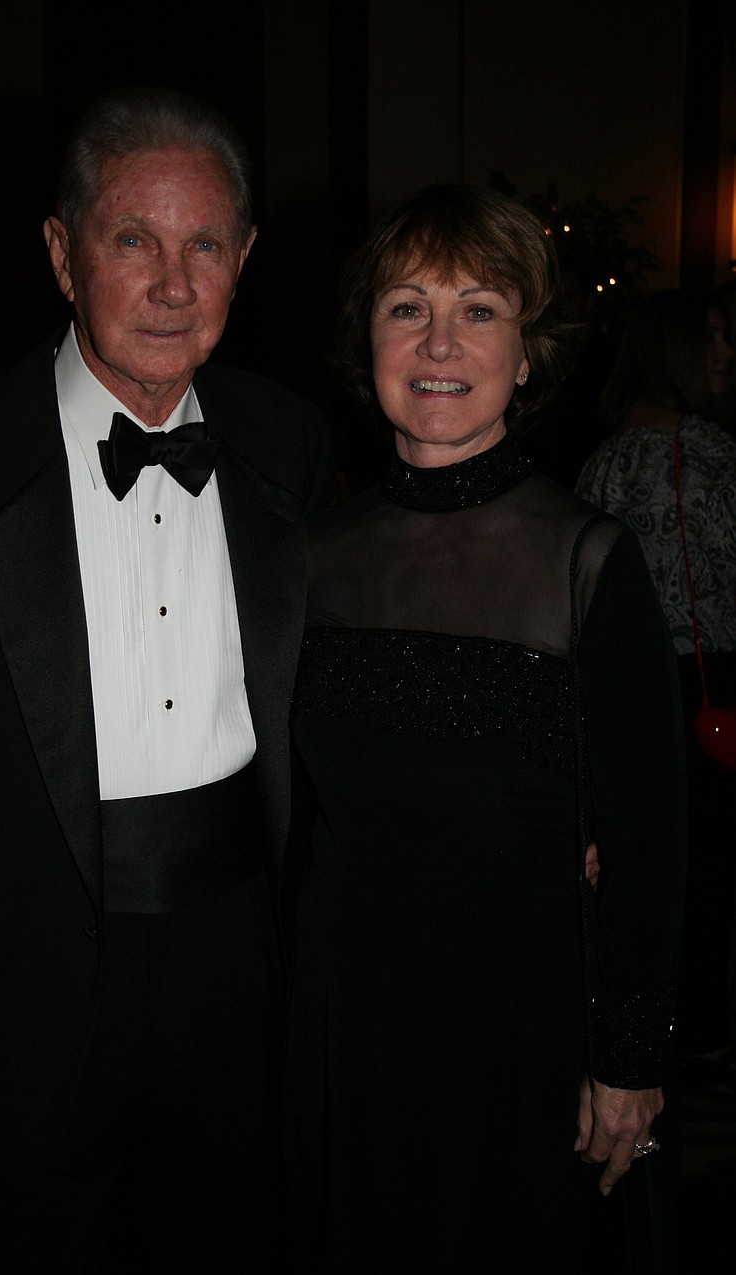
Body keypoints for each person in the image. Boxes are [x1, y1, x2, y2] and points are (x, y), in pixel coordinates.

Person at [0, 86, 332, 1273]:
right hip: (14, 986)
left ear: (243, 261)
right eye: (134, 239)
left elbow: (367, 688)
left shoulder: (295, 445)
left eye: (203, 247)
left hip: (241, 971)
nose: (173, 284)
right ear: (60, 253)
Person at [283, 184, 685, 1272]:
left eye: (479, 309)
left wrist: (629, 1052)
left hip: (521, 1030)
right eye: (407, 307)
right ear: (367, 337)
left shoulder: (585, 557)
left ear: (527, 347)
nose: (439, 342)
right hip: (341, 1023)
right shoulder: (309, 556)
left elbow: (647, 833)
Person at [577, 289, 736, 1078]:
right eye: (709, 337)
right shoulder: (707, 450)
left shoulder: (601, 457)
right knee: (706, 867)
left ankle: (653, 1023)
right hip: (708, 686)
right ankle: (700, 1028)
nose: (724, 353)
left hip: (620, 692)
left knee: (647, 861)